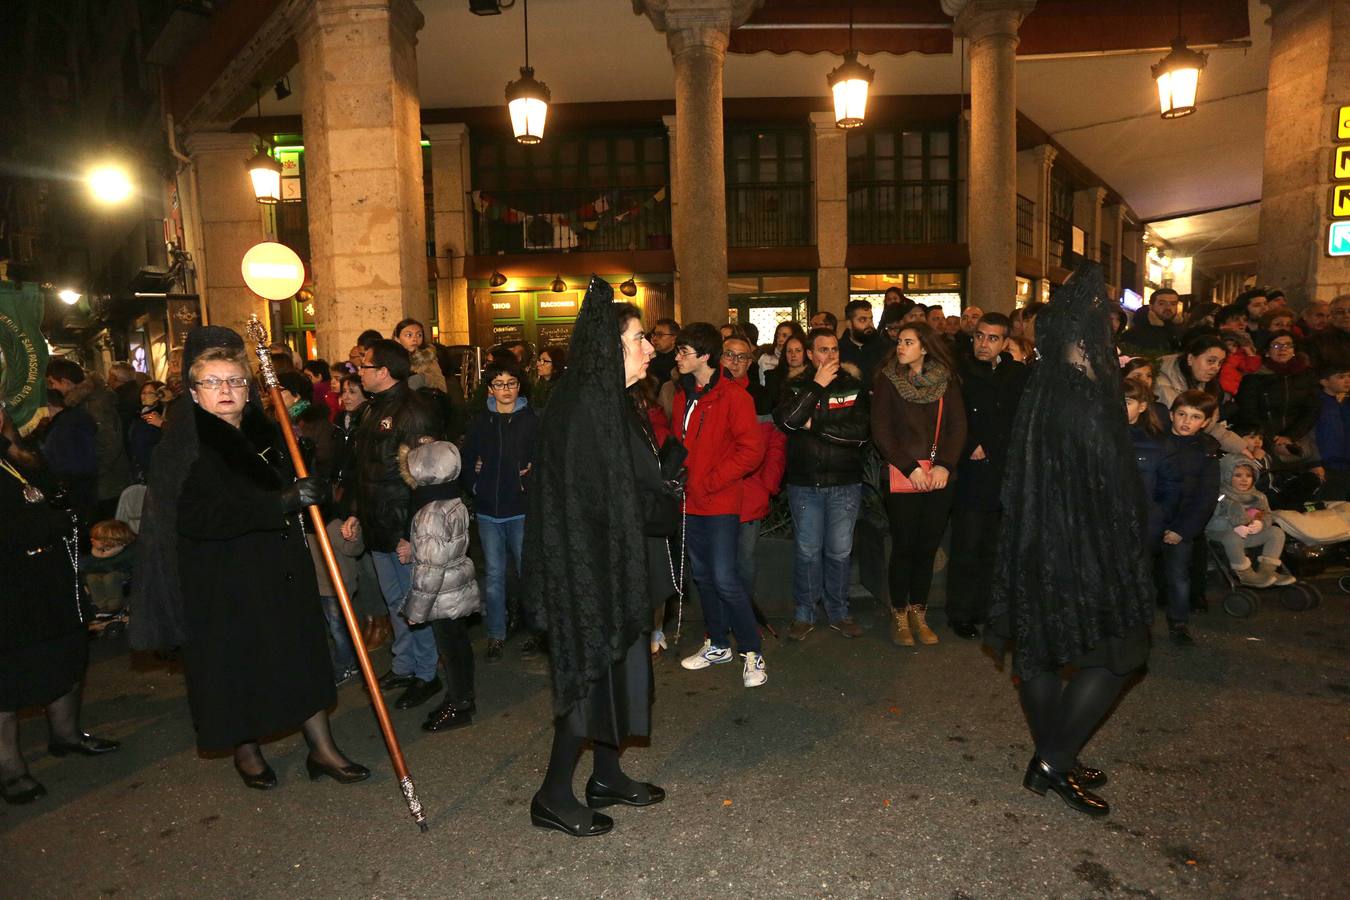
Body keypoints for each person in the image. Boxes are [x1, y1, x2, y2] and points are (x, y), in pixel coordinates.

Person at [135, 329, 365, 790]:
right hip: (222, 577)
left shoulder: (268, 429)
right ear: (195, 392)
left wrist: (312, 488)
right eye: (214, 382)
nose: (226, 391)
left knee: (300, 655)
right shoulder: (181, 448)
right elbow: (196, 517)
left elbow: (297, 478)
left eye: (236, 382)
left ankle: (322, 748)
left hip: (279, 568)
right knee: (236, 665)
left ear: (250, 388)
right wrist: (279, 503)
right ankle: (246, 749)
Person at [987, 263, 1154, 818]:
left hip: (1038, 545)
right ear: (1087, 341)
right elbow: (1110, 484)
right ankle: (1053, 761)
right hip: (1086, 552)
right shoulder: (1086, 398)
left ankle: (1055, 754)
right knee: (1118, 654)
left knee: (1039, 652)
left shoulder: (1042, 389)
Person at [523, 278, 672, 837]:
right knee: (587, 683)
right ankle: (552, 795)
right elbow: (590, 501)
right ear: (610, 347)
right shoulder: (583, 408)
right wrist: (657, 500)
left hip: (620, 567)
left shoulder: (615, 402)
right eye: (639, 338)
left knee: (623, 677)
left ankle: (606, 775)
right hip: (590, 573)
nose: (650, 347)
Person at [341, 339, 444, 710]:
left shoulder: (415, 411)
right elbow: (364, 469)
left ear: (383, 371)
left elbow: (426, 478)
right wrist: (355, 511)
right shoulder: (373, 410)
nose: (359, 372)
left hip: (402, 525)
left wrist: (411, 534)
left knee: (415, 603)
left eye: (364, 366)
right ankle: (404, 664)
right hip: (377, 521)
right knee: (394, 601)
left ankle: (427, 673)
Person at [672, 322, 768, 687]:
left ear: (705, 356)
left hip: (721, 501)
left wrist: (710, 480)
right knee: (703, 577)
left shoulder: (734, 397)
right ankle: (717, 643)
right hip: (690, 501)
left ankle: (751, 650)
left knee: (726, 579)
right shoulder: (684, 394)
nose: (678, 357)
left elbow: (752, 451)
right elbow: (682, 441)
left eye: (684, 351)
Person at [871, 322, 967, 648]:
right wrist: (910, 467)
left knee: (927, 547)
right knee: (904, 546)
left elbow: (957, 426)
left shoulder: (946, 380)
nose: (901, 347)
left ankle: (919, 613)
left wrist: (945, 465)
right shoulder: (888, 380)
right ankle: (899, 614)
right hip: (902, 475)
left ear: (924, 347)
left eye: (908, 342)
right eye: (899, 342)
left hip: (941, 476)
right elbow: (881, 430)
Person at [774, 328, 870, 640]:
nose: (830, 356)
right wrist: (816, 386)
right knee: (807, 551)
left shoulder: (854, 385)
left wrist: (815, 426)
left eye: (834, 350)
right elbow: (788, 421)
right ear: (811, 355)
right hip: (805, 482)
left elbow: (859, 434)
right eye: (823, 350)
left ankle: (839, 612)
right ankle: (804, 613)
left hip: (844, 482)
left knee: (840, 551)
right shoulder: (796, 386)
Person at [947, 313, 1029, 639]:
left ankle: (987, 609)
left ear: (1005, 342)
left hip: (1004, 469)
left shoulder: (1017, 373)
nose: (984, 343)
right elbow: (952, 416)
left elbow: (1021, 418)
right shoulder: (959, 371)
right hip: (971, 471)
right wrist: (970, 445)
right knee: (967, 546)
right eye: (980, 336)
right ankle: (961, 613)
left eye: (992, 338)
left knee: (994, 548)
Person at [459, 359, 539, 660]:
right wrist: (476, 482)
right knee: (493, 575)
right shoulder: (481, 421)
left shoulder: (532, 420)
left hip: (520, 508)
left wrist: (530, 476)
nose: (506, 390)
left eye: (512, 383)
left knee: (526, 571)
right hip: (488, 510)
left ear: (520, 385)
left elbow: (544, 458)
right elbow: (467, 460)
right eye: (499, 384)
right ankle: (495, 633)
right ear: (490, 389)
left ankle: (535, 630)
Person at [401, 441, 481, 733]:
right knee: (459, 646)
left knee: (451, 648)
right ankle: (462, 695)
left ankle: (460, 703)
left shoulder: (430, 513)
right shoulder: (453, 500)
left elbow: (430, 568)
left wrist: (416, 610)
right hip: (456, 585)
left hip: (442, 595)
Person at [720, 334, 787, 639]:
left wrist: (768, 484)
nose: (735, 362)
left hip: (750, 493)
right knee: (718, 562)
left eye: (742, 357)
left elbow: (774, 443)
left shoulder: (761, 396)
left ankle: (744, 619)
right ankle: (720, 619)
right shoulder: (707, 391)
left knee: (744, 562)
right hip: (715, 494)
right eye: (729, 355)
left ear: (751, 361)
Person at [1156, 390, 1222, 646]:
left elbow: (1206, 497)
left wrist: (1183, 530)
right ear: (1171, 414)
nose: (1186, 421)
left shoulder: (1206, 451)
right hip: (1151, 521)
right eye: (1181, 414)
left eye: (1195, 417)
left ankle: (1179, 623)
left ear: (1205, 422)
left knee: (1178, 576)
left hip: (1180, 526)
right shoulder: (1155, 442)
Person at [45, 358, 131, 521]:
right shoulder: (80, 402)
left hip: (106, 487)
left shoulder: (95, 404)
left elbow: (109, 446)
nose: (52, 388)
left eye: (52, 383)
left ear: (64, 381)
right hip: (98, 485)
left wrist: (87, 476)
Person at [1232, 331, 1321, 465]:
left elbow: (1311, 410)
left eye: (1288, 345)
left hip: (1297, 437)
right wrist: (1272, 439)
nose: (1283, 349)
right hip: (1263, 439)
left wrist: (1290, 437)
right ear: (1266, 351)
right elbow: (1248, 412)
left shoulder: (1306, 375)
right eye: (1276, 345)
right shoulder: (1254, 378)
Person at [1205, 455, 1293, 588]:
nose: (1244, 480)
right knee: (1233, 537)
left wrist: (1261, 524)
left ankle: (1267, 572)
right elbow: (1209, 519)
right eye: (1238, 475)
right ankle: (1245, 574)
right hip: (1221, 534)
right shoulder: (1219, 495)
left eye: (1248, 476)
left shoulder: (1258, 496)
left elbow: (1267, 515)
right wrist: (1232, 524)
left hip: (1248, 535)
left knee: (1276, 533)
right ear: (1227, 475)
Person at [1154, 335, 1246, 455]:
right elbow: (1193, 425)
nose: (1216, 368)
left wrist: (1241, 447)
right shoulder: (1163, 383)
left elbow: (1208, 424)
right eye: (1211, 361)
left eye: (1220, 363)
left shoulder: (1203, 385)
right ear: (1191, 359)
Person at [38, 388, 99, 521]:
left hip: (74, 501)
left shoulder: (63, 429)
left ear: (48, 405)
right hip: (83, 495)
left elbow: (71, 468)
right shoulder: (69, 422)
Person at [1314, 363, 1350, 500]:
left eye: (1349, 376)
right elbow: (1311, 435)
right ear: (1324, 381)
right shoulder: (1317, 403)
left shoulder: (1345, 403)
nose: (1347, 380)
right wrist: (1315, 462)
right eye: (1341, 377)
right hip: (1327, 465)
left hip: (1345, 465)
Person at [1118, 288, 1182, 356]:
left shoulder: (1180, 332)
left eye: (1173, 304)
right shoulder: (1132, 336)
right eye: (1162, 303)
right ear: (1151, 306)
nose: (1168, 307)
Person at [756, 320, 806, 387]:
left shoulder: (807, 364)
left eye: (785, 336)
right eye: (778, 336)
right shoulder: (766, 358)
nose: (780, 339)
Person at [764, 333, 808, 401]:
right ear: (785, 354)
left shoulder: (813, 374)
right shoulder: (772, 376)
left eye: (798, 350)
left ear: (806, 353)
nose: (793, 355)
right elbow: (774, 402)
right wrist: (789, 376)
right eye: (789, 351)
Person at [839, 298, 875, 370]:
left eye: (871, 319)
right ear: (849, 324)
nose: (870, 324)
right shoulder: (838, 351)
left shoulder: (885, 349)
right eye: (862, 320)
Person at [532, 345, 567, 410]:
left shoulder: (561, 387)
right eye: (539, 360)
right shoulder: (542, 382)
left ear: (556, 365)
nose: (538, 364)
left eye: (544, 361)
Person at [648, 317, 680, 387]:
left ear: (674, 339)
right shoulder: (649, 360)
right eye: (654, 334)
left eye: (660, 335)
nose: (655, 338)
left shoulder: (679, 362)